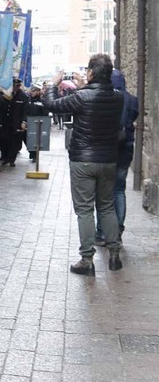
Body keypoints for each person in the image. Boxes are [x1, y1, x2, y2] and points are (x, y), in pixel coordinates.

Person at [44, 54, 123, 275]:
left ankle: (87, 260)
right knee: (107, 206)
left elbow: (51, 104)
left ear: (90, 73)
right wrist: (82, 88)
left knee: (85, 210)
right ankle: (114, 253)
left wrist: (53, 84)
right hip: (108, 159)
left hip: (83, 161)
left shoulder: (82, 97)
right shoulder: (118, 97)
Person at [95, 68, 139, 243]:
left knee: (103, 193)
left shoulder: (108, 98)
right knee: (119, 191)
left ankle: (102, 232)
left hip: (108, 151)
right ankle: (119, 229)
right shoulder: (133, 100)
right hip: (125, 151)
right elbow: (133, 117)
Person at [0, 77, 29, 167]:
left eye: (17, 85)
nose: (16, 87)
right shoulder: (5, 94)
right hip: (5, 122)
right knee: (4, 141)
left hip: (16, 123)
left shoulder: (23, 96)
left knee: (15, 142)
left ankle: (11, 159)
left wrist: (24, 121)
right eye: (14, 85)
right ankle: (4, 158)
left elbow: (26, 110)